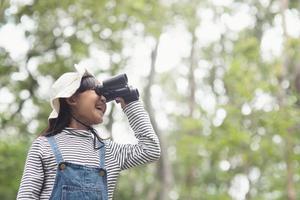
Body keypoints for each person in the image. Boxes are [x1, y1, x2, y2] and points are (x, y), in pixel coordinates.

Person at [17, 65, 161, 200]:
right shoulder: (43, 146)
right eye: (97, 91)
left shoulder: (110, 151)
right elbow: (26, 196)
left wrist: (131, 104)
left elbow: (151, 149)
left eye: (104, 95)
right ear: (72, 98)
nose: (103, 98)